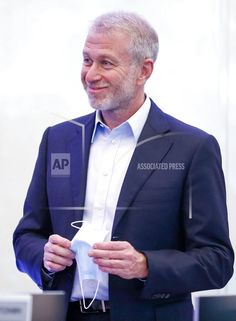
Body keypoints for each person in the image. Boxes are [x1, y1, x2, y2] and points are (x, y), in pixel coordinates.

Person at [13, 11, 234, 321]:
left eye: (106, 63)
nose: (90, 75)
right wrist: (43, 257)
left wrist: (145, 264)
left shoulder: (193, 148)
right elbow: (26, 238)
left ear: (144, 70)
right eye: (87, 60)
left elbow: (217, 261)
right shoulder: (58, 140)